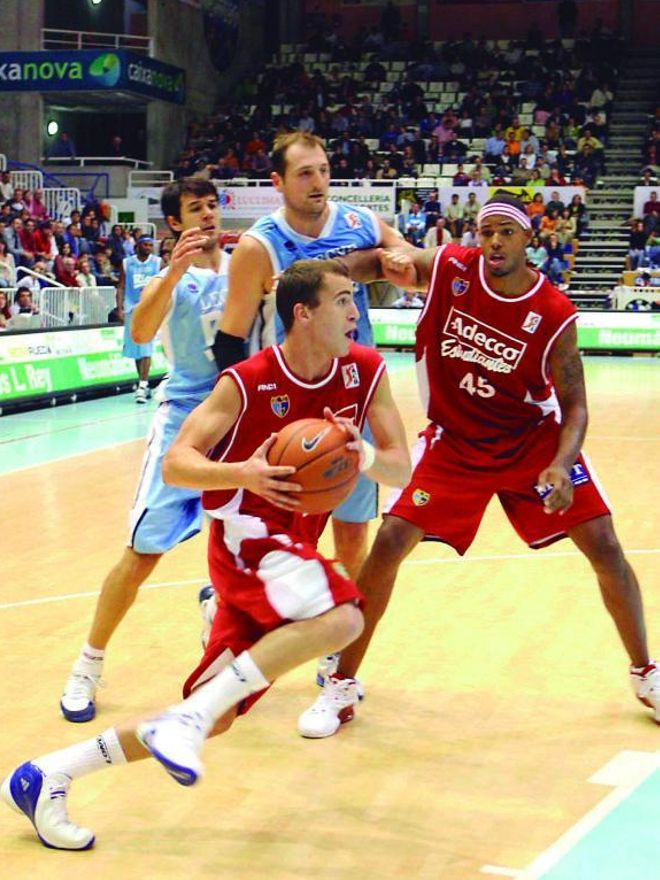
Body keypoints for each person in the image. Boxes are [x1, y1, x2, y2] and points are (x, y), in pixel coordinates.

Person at [1, 259, 411, 851]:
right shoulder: (246, 381)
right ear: (305, 313)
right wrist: (241, 470)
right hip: (245, 533)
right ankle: (185, 722)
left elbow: (402, 466)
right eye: (345, 301)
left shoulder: (366, 372)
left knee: (214, 711)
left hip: (290, 548)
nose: (356, 313)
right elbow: (177, 462)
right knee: (347, 616)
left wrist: (363, 453)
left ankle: (48, 775)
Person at [297, 193, 660, 738]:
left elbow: (576, 403)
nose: (493, 241)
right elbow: (383, 262)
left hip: (530, 443)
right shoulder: (449, 269)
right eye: (485, 231)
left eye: (505, 232)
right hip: (454, 444)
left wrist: (562, 464)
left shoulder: (554, 311)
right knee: (391, 542)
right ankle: (343, 684)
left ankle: (646, 673)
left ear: (526, 238)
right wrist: (331, 275)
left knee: (604, 544)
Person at [58, 178, 230, 723]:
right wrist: (175, 270)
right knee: (142, 554)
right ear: (175, 224)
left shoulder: (248, 268)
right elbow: (139, 328)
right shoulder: (170, 279)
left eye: (211, 206)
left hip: (241, 417)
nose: (206, 216)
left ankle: (220, 609)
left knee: (258, 542)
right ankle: (87, 664)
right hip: (186, 421)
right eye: (193, 210)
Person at [212, 130, 406, 582]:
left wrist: (373, 264)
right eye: (304, 174)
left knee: (354, 537)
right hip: (285, 409)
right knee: (282, 540)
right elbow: (230, 339)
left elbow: (410, 260)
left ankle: (341, 646)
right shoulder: (258, 246)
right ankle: (229, 599)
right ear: (278, 182)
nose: (318, 182)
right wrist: (238, 414)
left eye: (323, 170)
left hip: (352, 398)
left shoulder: (360, 224)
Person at [116, 235, 162, 403]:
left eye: (151, 245)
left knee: (146, 347)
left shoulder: (157, 263)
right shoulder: (127, 263)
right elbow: (120, 286)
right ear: (138, 246)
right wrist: (120, 308)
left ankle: (142, 386)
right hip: (131, 308)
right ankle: (144, 383)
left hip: (149, 308)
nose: (149, 247)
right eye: (146, 245)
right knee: (136, 349)